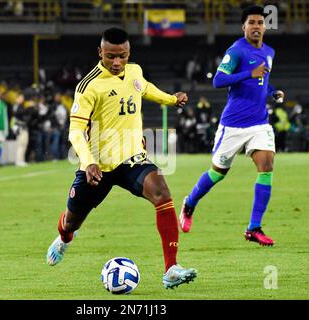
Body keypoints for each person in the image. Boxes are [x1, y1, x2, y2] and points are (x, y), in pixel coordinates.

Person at [46, 28, 197, 289]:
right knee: (71, 221)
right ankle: (64, 239)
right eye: (110, 56)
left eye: (122, 56)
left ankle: (171, 268)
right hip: (97, 167)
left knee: (162, 193)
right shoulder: (88, 86)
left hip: (132, 159)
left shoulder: (135, 71)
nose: (117, 62)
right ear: (100, 53)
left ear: (129, 53)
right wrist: (88, 161)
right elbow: (75, 131)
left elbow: (145, 88)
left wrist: (171, 100)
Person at [179, 6, 285, 246]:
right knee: (217, 173)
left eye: (260, 22)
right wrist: (249, 73)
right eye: (252, 23)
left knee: (266, 165)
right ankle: (190, 203)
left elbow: (262, 80)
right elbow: (219, 80)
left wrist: (272, 92)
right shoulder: (236, 51)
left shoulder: (269, 51)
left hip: (259, 123)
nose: (256, 26)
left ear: (265, 27)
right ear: (243, 27)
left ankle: (253, 228)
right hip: (233, 125)